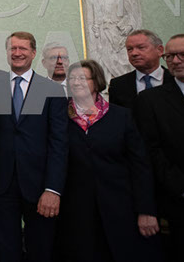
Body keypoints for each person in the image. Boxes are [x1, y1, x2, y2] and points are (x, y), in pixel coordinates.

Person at [56, 59, 161, 262]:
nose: (76, 83)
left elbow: (140, 165)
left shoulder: (121, 116)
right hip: (76, 212)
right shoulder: (60, 116)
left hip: (120, 207)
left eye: (82, 78)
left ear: (96, 81)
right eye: (72, 79)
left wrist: (146, 209)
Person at [0, 31, 68, 262]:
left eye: (22, 48)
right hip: (1, 184)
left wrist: (53, 189)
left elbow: (59, 143)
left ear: (33, 53)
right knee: (5, 250)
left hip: (40, 185)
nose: (17, 53)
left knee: (40, 248)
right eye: (12, 48)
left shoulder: (51, 90)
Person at [135, 34, 184, 262]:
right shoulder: (151, 101)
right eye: (170, 56)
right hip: (181, 205)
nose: (175, 61)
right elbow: (153, 153)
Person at [108, 29, 174, 109]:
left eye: (141, 47)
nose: (134, 53)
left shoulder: (177, 80)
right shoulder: (118, 85)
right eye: (130, 49)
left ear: (159, 50)